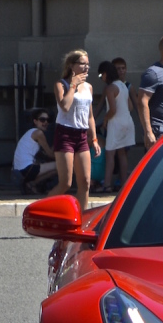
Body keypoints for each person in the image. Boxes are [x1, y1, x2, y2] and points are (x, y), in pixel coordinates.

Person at [47, 50, 101, 211]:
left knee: (85, 182)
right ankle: (42, 211)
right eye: (82, 64)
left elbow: (90, 115)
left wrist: (95, 139)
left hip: (82, 135)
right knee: (66, 183)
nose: (86, 67)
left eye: (87, 64)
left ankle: (82, 221)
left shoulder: (89, 87)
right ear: (72, 66)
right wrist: (73, 85)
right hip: (65, 134)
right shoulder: (61, 84)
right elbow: (65, 106)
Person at [98, 60, 135, 192]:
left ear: (105, 74)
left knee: (110, 155)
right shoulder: (124, 85)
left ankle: (107, 185)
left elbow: (112, 110)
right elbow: (130, 106)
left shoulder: (110, 88)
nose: (101, 78)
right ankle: (124, 184)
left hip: (116, 123)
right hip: (128, 122)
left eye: (100, 75)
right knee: (122, 154)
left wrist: (105, 120)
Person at [12, 108, 57, 194]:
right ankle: (32, 184)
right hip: (27, 169)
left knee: (55, 169)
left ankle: (30, 184)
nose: (46, 122)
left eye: (48, 120)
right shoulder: (38, 133)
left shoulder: (30, 132)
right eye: (42, 120)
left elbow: (47, 154)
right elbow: (50, 154)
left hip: (19, 170)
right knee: (60, 167)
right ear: (35, 121)